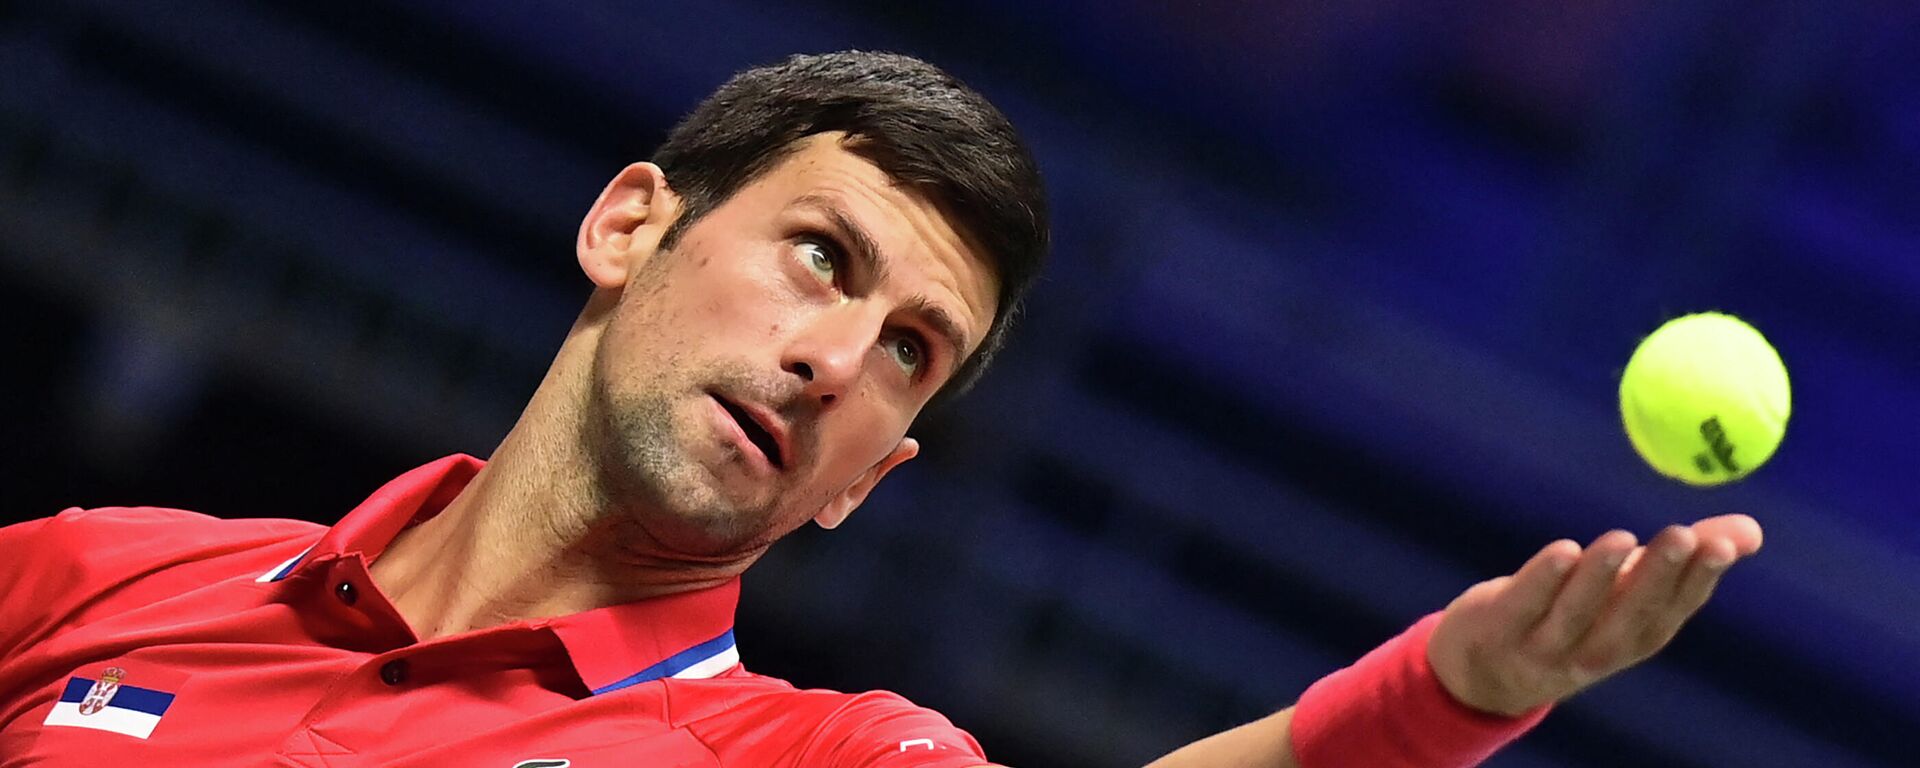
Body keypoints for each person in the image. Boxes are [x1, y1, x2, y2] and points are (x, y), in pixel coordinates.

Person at [0, 51, 1760, 768]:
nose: (841, 359)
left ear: (870, 480)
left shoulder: (813, 757)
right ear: (631, 224)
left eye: (911, 354)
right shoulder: (101, 578)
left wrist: (1443, 699)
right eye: (822, 260)